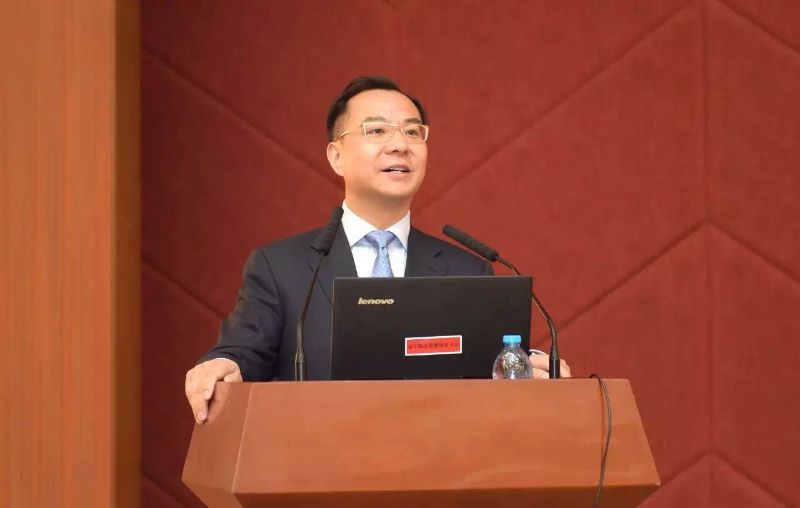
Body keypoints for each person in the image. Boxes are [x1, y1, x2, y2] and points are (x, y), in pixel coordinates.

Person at [185, 76, 571, 423]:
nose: (399, 145)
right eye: (377, 130)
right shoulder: (280, 267)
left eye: (413, 132)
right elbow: (242, 354)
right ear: (336, 156)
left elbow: (494, 376)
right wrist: (223, 364)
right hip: (317, 465)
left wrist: (529, 370)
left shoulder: (467, 270)